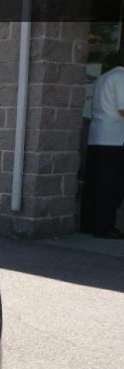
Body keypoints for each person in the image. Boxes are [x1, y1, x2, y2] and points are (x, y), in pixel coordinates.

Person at [82, 49, 124, 239]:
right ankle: (104, 226)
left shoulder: (103, 78)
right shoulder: (121, 77)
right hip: (114, 139)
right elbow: (122, 109)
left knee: (94, 184)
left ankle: (88, 224)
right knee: (111, 186)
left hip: (97, 135)